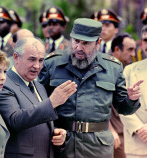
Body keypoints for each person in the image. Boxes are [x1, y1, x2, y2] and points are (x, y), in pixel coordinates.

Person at [38, 18, 142, 158]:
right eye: (76, 41)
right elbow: (38, 103)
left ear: (98, 43)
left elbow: (123, 109)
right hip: (62, 143)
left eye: (86, 43)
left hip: (98, 146)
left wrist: (131, 99)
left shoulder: (112, 67)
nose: (79, 47)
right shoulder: (53, 63)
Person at [0, 37, 77, 158]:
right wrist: (52, 102)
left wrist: (56, 133)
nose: (37, 66)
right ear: (16, 57)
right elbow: (15, 120)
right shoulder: (3, 84)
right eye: (32, 59)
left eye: (41, 60)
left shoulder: (39, 86)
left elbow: (39, 120)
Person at [119, 26, 147, 158]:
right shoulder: (129, 70)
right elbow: (121, 104)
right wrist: (140, 128)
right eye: (146, 40)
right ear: (141, 44)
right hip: (137, 144)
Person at [109, 33, 136, 158]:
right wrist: (110, 130)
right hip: (116, 134)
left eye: (134, 49)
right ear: (117, 50)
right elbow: (97, 105)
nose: (133, 54)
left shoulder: (130, 70)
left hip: (131, 132)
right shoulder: (105, 70)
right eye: (130, 49)